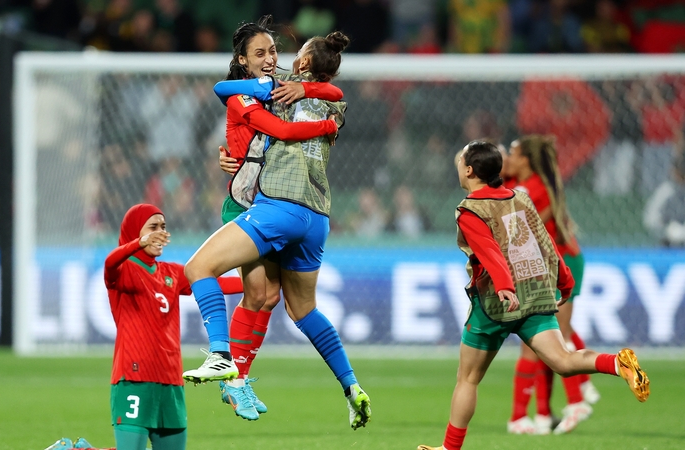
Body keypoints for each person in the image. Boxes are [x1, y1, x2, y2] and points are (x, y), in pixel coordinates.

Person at [182, 31, 373, 430]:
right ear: (242, 57)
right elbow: (332, 97)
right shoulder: (276, 91)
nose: (271, 57)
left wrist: (297, 94)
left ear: (301, 62)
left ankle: (227, 365)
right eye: (261, 52)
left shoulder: (282, 89)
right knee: (276, 300)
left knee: (226, 280)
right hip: (313, 213)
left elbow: (280, 128)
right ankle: (349, 386)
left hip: (273, 204)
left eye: (275, 51)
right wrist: (233, 154)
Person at [416, 141, 649, 450]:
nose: (458, 166)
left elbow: (489, 252)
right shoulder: (521, 198)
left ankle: (450, 448)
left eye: (460, 162)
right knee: (563, 361)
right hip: (536, 293)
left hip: (495, 305)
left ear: (470, 170)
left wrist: (503, 286)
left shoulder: (469, 209)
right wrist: (564, 281)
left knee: (468, 378)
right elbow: (545, 242)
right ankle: (616, 363)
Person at [104, 204, 243, 450]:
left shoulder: (172, 273)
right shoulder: (125, 270)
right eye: (152, 227)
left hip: (170, 381)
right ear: (135, 232)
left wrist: (267, 284)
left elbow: (219, 284)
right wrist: (139, 243)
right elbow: (110, 264)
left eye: (163, 227)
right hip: (134, 377)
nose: (160, 233)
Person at [503, 135, 598, 435]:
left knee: (556, 336)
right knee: (550, 337)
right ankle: (546, 411)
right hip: (550, 264)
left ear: (526, 160)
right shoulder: (525, 186)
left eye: (513, 153)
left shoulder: (532, 190)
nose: (509, 157)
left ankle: (575, 400)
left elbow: (518, 228)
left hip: (562, 263)